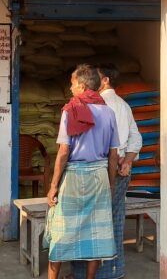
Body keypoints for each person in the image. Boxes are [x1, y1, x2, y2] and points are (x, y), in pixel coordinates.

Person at [47, 64, 119, 279]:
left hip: (75, 176)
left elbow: (63, 152)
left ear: (81, 85)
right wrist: (111, 183)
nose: (70, 88)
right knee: (96, 232)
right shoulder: (108, 112)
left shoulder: (71, 109)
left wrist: (53, 187)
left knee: (61, 230)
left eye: (72, 83)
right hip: (99, 176)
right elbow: (113, 155)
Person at [73, 64, 143, 279]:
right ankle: (114, 271)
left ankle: (86, 274)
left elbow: (102, 146)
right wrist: (128, 161)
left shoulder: (97, 105)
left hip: (101, 169)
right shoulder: (123, 105)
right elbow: (136, 138)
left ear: (104, 81)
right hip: (121, 169)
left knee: (89, 223)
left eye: (97, 77)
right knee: (115, 221)